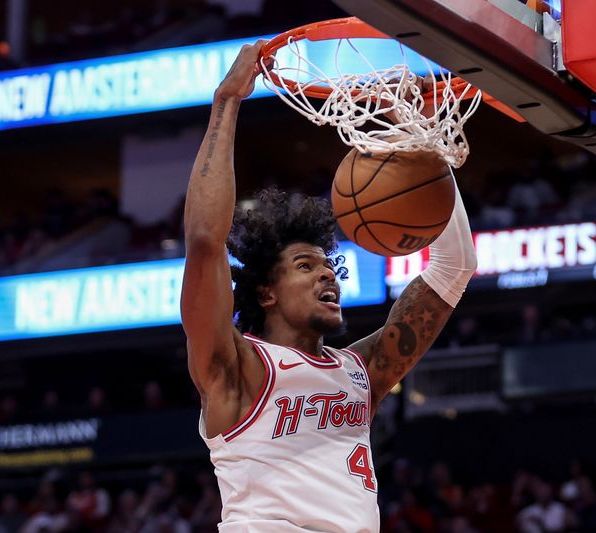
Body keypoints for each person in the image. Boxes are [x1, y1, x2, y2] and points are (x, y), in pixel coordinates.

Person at [180, 41, 477, 532]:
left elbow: (454, 268)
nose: (326, 274)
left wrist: (425, 142)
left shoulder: (360, 372)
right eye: (304, 265)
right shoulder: (236, 367)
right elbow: (206, 242)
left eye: (328, 267)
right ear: (266, 292)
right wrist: (226, 103)